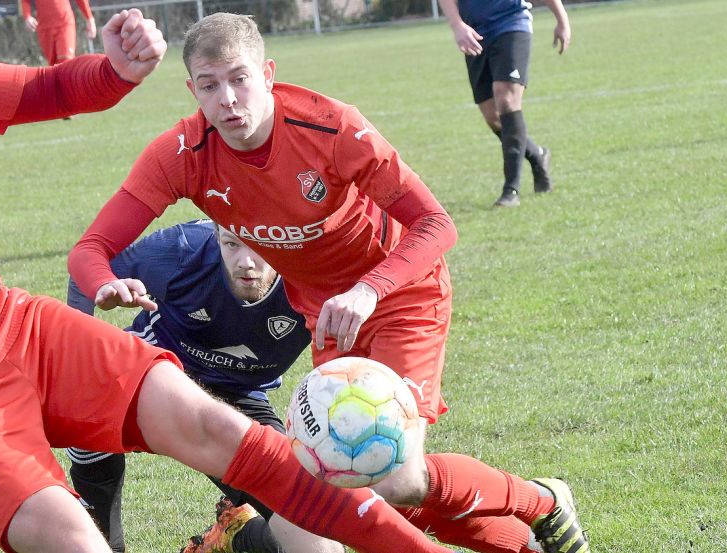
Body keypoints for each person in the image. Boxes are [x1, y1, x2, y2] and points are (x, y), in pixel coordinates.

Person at [0, 2, 464, 553]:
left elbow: (51, 89)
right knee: (76, 541)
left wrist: (117, 68)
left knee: (216, 425)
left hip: (19, 328)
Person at [68, 12, 590, 553]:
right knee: (352, 486)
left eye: (239, 78)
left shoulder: (330, 127)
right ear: (192, 90)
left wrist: (369, 290)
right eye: (210, 85)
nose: (227, 99)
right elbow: (89, 249)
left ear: (267, 74)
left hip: (400, 292)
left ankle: (543, 501)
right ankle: (523, 547)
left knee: (395, 478)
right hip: (328, 316)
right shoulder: (183, 153)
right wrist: (105, 282)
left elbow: (437, 224)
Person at [66, 220, 341, 553]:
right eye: (232, 244)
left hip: (238, 397)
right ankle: (104, 541)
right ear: (215, 234)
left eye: (257, 244)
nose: (246, 262)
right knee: (91, 395)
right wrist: (96, 309)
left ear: (286, 238)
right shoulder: (181, 249)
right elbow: (87, 266)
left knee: (316, 537)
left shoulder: (324, 274)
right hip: (159, 370)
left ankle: (236, 536)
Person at [436, 0, 571, 208]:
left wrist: (562, 20)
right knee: (493, 117)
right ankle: (537, 155)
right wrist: (457, 26)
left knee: (506, 99)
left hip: (511, 22)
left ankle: (511, 190)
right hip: (475, 33)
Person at [22, 0, 97, 66]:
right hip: (44, 27)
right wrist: (27, 16)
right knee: (53, 66)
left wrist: (90, 18)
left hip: (64, 22)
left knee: (66, 63)